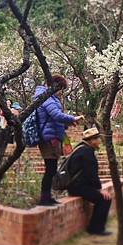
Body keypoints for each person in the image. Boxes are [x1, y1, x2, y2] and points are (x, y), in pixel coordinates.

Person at [35, 75, 84, 206]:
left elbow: (54, 118)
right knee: (50, 169)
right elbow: (55, 115)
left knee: (51, 169)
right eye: (61, 88)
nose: (61, 92)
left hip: (53, 135)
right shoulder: (46, 97)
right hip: (48, 137)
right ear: (54, 85)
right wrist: (72, 118)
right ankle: (44, 198)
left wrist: (67, 123)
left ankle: (47, 196)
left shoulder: (49, 97)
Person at [67, 128, 112, 236]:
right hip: (78, 187)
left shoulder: (81, 149)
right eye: (98, 139)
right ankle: (96, 229)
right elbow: (91, 174)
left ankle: (95, 227)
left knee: (101, 198)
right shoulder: (86, 152)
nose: (99, 141)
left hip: (76, 185)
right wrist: (99, 190)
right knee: (104, 199)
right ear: (91, 140)